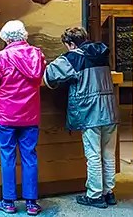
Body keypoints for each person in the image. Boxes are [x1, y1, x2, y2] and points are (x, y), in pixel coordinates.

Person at [43, 26, 120, 209]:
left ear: (70, 43)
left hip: (90, 112)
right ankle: (109, 193)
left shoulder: (73, 57)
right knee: (108, 154)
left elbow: (49, 76)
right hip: (109, 110)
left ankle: (94, 196)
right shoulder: (102, 53)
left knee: (93, 155)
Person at [0, 20, 45, 216]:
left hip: (5, 115)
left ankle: (8, 202)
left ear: (7, 38)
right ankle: (31, 203)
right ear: (24, 35)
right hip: (30, 114)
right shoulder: (38, 55)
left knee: (8, 157)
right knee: (30, 157)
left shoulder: (2, 57)